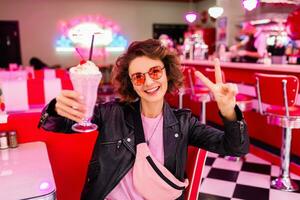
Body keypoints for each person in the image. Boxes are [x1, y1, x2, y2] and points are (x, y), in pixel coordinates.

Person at [39, 39, 249, 200]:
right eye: (138, 76)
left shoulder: (184, 123)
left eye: (155, 71)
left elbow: (235, 148)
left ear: (167, 74)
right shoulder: (111, 113)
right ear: (131, 83)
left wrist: (229, 111)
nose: (148, 81)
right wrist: (56, 109)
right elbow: (55, 124)